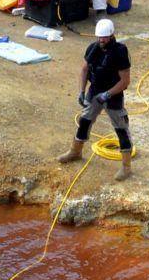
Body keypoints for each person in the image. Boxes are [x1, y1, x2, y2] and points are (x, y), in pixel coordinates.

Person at [57, 18, 133, 181]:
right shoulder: (93, 48)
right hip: (95, 91)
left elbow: (125, 80)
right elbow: (84, 70)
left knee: (121, 129)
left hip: (113, 94)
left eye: (104, 37)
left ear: (111, 35)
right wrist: (81, 91)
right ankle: (75, 151)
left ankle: (126, 167)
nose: (101, 40)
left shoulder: (120, 52)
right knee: (85, 121)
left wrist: (108, 94)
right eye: (99, 37)